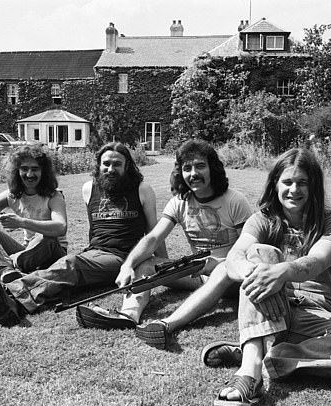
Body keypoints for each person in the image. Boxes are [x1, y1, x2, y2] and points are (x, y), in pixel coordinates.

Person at [207, 148, 331, 406]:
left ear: (313, 186)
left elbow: (315, 262)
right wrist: (255, 272)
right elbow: (235, 256)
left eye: (302, 182)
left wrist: (281, 272)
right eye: (287, 182)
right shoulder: (262, 220)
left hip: (315, 317)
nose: (294, 190)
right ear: (275, 184)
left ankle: (271, 353)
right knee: (261, 254)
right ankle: (249, 373)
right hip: (271, 305)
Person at [76, 139, 254, 351]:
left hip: (232, 276)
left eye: (200, 166)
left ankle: (167, 325)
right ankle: (128, 315)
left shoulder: (235, 201)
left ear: (213, 168)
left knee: (223, 270)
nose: (193, 174)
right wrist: (127, 265)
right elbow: (153, 238)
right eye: (187, 168)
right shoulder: (180, 201)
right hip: (199, 273)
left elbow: (249, 251)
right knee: (146, 265)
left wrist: (220, 263)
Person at [0, 141, 163, 327]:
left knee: (70, 264)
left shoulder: (142, 189)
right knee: (65, 271)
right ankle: (0, 294)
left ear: (127, 166)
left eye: (117, 164)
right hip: (94, 252)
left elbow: (154, 232)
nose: (110, 169)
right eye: (106, 164)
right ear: (98, 165)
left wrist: (162, 261)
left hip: (123, 257)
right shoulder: (89, 189)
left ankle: (13, 298)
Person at [0, 144, 68, 315]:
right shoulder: (12, 195)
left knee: (46, 237)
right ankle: (5, 271)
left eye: (35, 169)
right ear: (17, 172)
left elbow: (60, 227)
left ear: (44, 172)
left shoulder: (54, 196)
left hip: (52, 253)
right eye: (24, 169)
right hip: (27, 253)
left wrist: (21, 222)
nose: (29, 174)